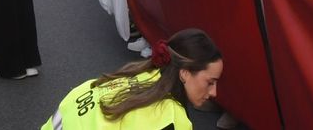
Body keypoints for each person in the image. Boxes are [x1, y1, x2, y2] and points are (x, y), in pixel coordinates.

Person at [40, 29, 222, 130]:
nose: (214, 92)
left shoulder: (143, 74)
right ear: (185, 73)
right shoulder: (171, 121)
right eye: (210, 82)